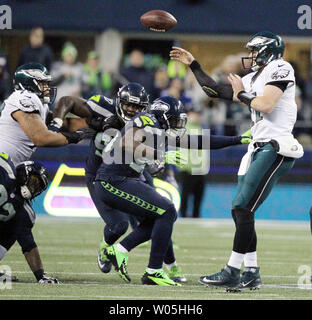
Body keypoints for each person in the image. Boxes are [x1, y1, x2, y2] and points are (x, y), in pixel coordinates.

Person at [170, 31, 303, 291]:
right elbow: (214, 90)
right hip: (257, 147)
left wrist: (241, 93)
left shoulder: (280, 67)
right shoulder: (254, 77)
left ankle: (232, 270)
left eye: (254, 50)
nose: (251, 56)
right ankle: (251, 270)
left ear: (268, 51)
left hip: (277, 145)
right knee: (241, 211)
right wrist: (194, 64)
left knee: (242, 206)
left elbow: (265, 105)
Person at [93, 95, 251, 286]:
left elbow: (199, 141)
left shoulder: (158, 128)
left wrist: (238, 139)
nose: (177, 124)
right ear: (164, 115)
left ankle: (121, 251)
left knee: (159, 217)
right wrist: (159, 154)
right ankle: (153, 271)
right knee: (167, 211)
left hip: (122, 179)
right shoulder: (147, 120)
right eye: (175, 119)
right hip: (113, 180)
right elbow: (126, 143)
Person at [52, 84, 188, 283]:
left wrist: (155, 163)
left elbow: (150, 155)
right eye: (128, 105)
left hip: (131, 172)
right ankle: (107, 248)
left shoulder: (146, 122)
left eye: (137, 107)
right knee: (119, 226)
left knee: (160, 213)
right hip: (100, 175)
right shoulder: (102, 106)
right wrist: (57, 121)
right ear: (118, 101)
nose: (132, 110)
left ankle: (171, 266)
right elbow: (68, 101)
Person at [0, 62, 93, 167]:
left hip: (9, 162)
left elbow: (63, 123)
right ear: (28, 84)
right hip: (2, 161)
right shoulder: (24, 98)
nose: (47, 88)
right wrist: (76, 136)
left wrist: (91, 125)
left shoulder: (39, 104)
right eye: (42, 84)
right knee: (35, 172)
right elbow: (41, 138)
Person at [0, 155, 59, 283]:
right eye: (34, 182)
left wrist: (40, 276)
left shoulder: (24, 212)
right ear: (25, 174)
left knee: (14, 230)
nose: (34, 189)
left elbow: (28, 245)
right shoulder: (5, 172)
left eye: (37, 187)